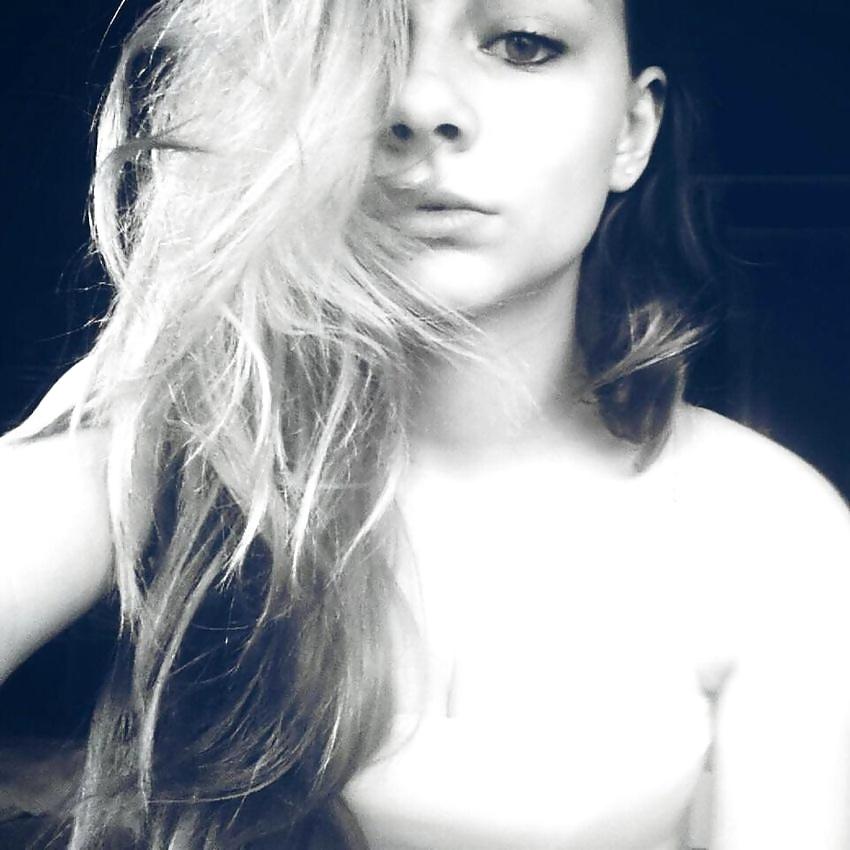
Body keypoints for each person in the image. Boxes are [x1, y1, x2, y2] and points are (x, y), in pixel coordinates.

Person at [2, 0, 850, 847]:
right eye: (361, 44)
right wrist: (151, 374)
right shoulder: (165, 452)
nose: (419, 102)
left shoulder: (772, 533)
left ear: (631, 131)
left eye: (524, 44)